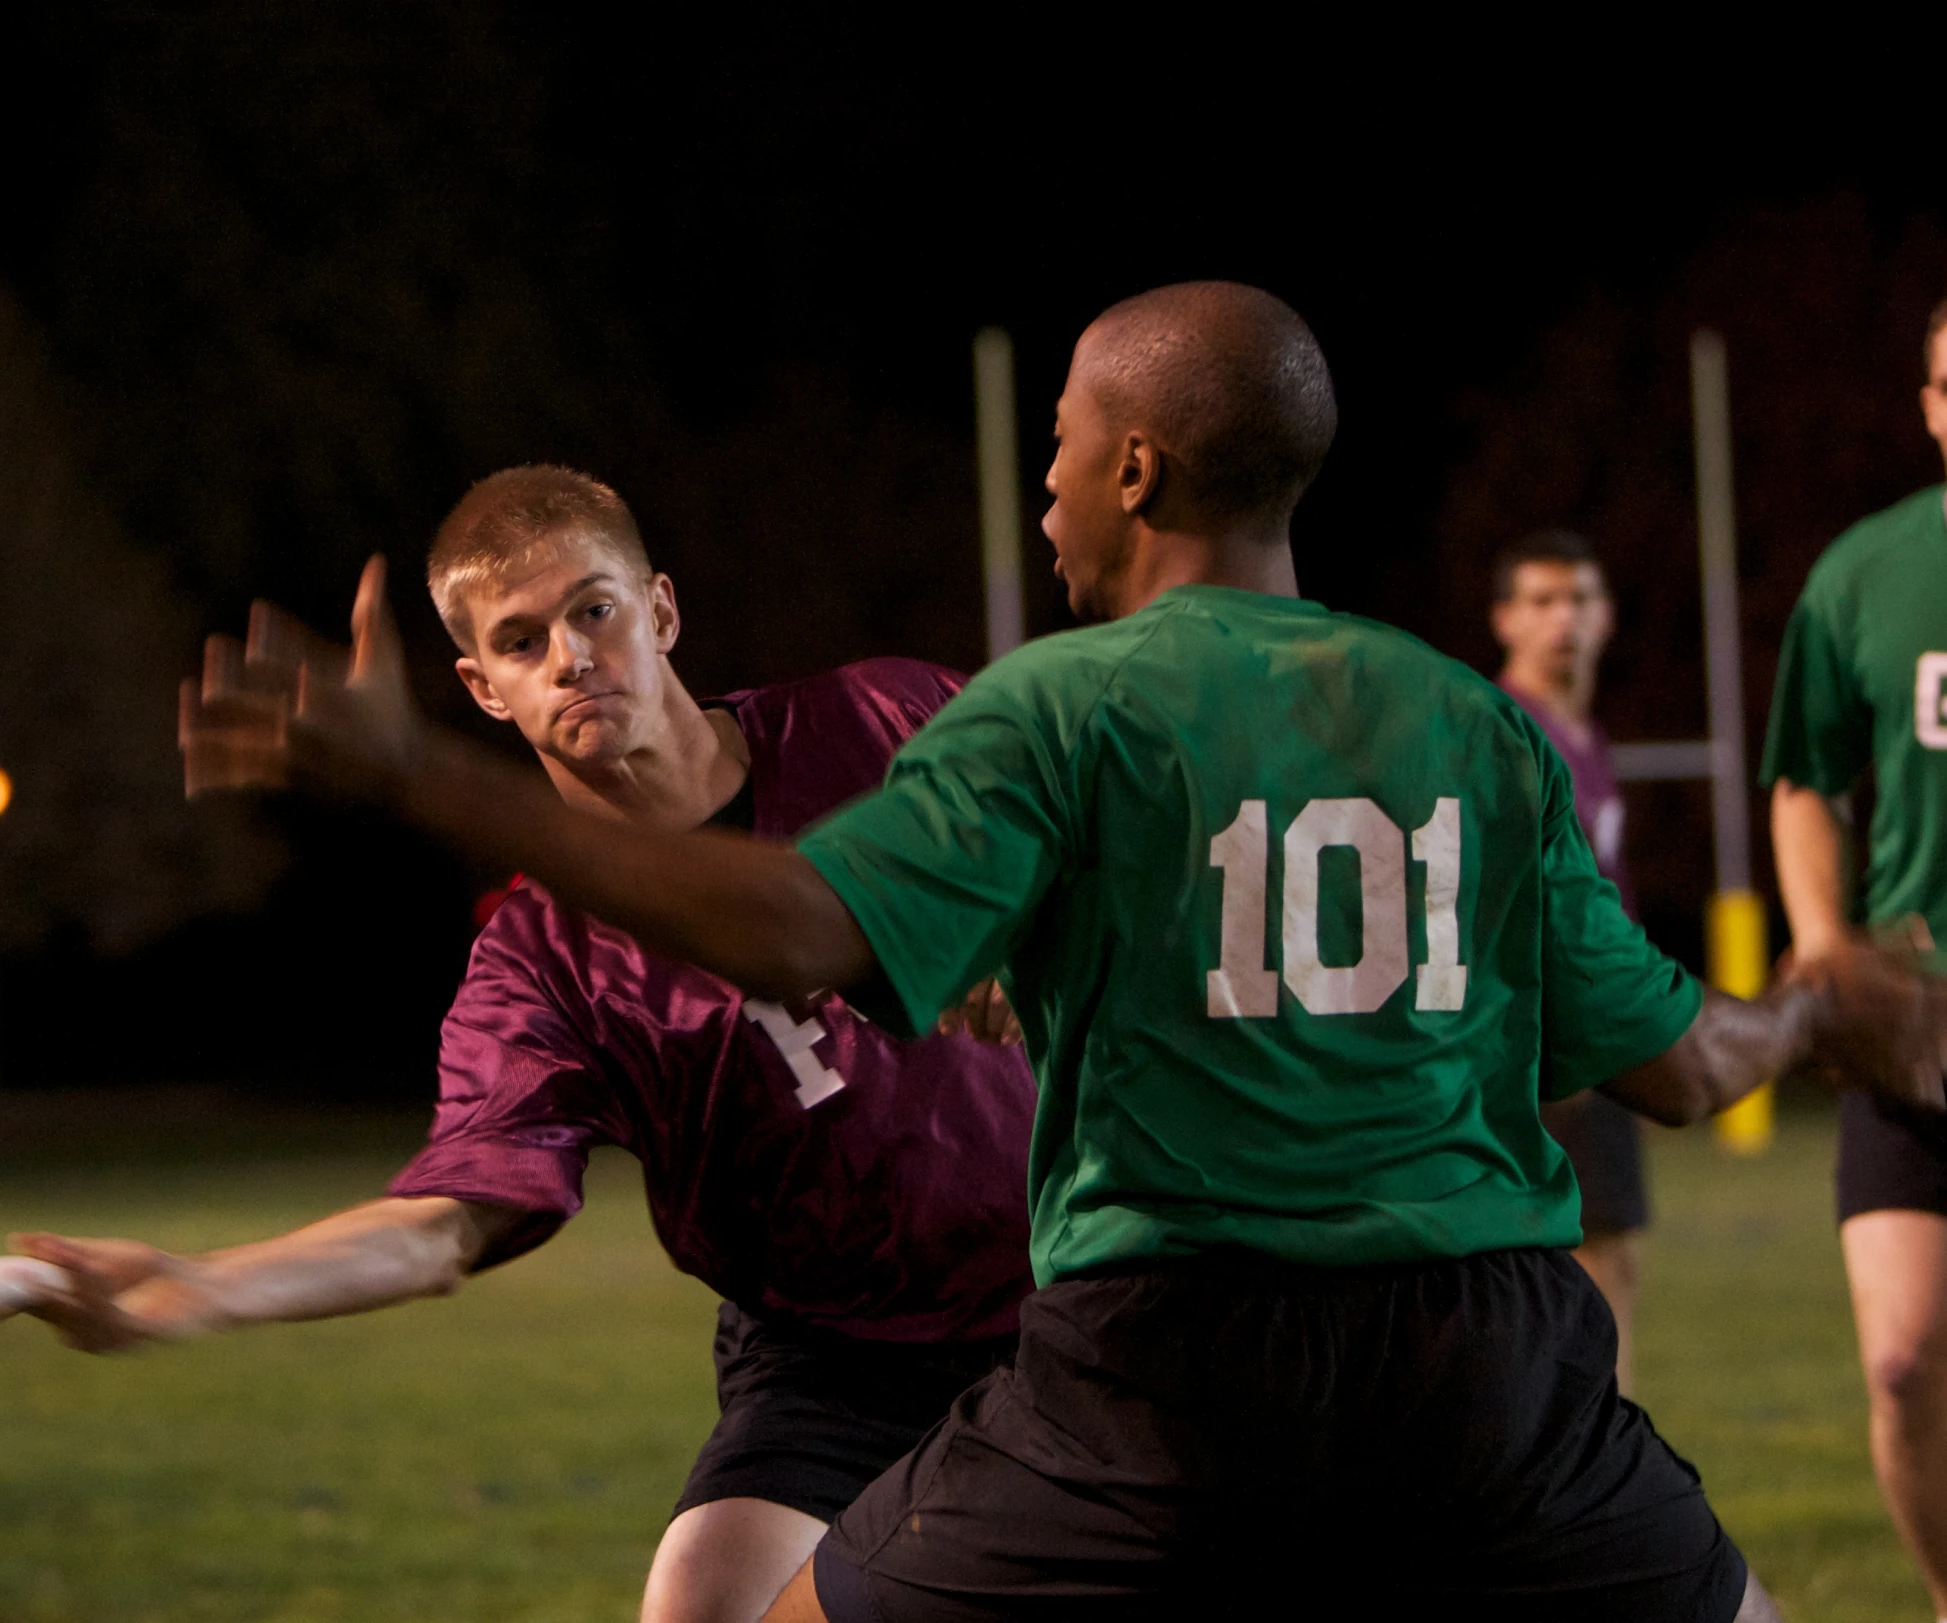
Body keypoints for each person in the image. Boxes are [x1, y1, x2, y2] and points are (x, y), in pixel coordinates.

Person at [187, 285, 1947, 1622]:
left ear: (1132, 467)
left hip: (1165, 1361)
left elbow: (802, 922)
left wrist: (419, 773)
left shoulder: (1056, 705)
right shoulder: (1469, 723)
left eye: (1054, 448)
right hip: (1482, 1360)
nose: (1040, 490)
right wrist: (1818, 992)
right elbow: (1681, 1061)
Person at [19, 466, 1039, 1623]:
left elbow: (1111, 844)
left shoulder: (887, 717)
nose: (569, 655)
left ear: (658, 612)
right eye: (520, 639)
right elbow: (446, 1222)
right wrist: (200, 1287)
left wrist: (1032, 923)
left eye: (592, 610)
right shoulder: (540, 959)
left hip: (1065, 1289)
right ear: (484, 688)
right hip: (829, 1358)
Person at [1763, 293, 1947, 1619]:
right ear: (1930, 404)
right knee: (1898, 1360)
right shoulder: (1864, 573)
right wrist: (1824, 939)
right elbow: (1801, 780)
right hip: (1914, 1018)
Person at [1490, 529, 1650, 1390]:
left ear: (1606, 616)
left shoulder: (1583, 734)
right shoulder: (1507, 732)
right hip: (1552, 1043)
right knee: (1567, 1275)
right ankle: (1599, 1466)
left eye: (1579, 598)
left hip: (1600, 1032)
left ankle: (1614, 1451)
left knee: (1614, 1259)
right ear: (1504, 619)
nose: (1564, 619)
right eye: (1542, 600)